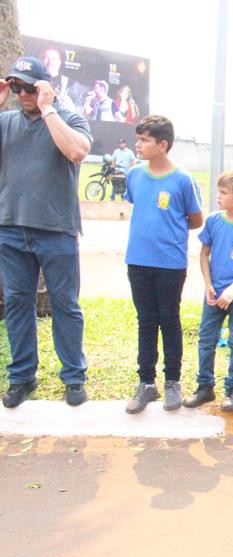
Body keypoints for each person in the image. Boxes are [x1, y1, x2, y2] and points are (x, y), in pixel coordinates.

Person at [0, 56, 92, 408]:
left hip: (56, 230)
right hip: (10, 228)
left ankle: (73, 377)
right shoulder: (6, 121)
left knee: (65, 305)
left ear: (44, 87)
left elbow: (76, 151)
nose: (22, 93)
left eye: (29, 87)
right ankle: (22, 377)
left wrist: (48, 109)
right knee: (18, 304)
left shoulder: (69, 119)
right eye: (16, 86)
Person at [123, 114, 204, 413]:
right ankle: (146, 383)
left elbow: (196, 219)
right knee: (146, 320)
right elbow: (137, 204)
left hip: (170, 263)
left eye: (145, 140)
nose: (139, 144)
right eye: (138, 138)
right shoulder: (134, 175)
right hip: (138, 261)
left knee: (169, 319)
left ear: (163, 144)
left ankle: (173, 381)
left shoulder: (183, 179)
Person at [183, 169, 233, 412]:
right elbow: (204, 254)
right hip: (213, 295)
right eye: (218, 191)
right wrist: (209, 285)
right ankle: (205, 387)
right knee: (206, 340)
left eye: (224, 193)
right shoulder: (214, 221)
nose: (218, 197)